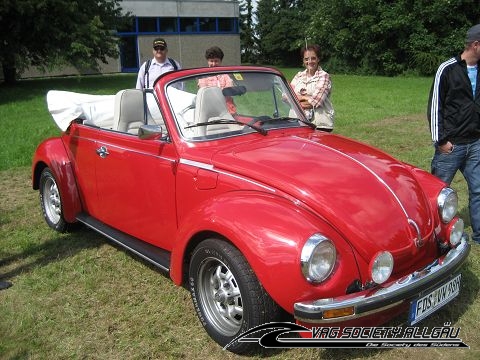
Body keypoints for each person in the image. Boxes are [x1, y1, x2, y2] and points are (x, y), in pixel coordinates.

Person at [428, 23, 480, 244]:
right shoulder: (447, 69)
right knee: (437, 194)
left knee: (478, 190)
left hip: (475, 143)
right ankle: (433, 237)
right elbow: (435, 106)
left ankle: (479, 235)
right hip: (451, 146)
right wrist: (441, 141)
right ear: (476, 45)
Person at [290, 44, 335, 132]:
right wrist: (306, 98)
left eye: (313, 58)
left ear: (318, 59)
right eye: (306, 59)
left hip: (319, 125)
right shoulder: (298, 76)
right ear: (303, 60)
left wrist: (295, 100)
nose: (310, 61)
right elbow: (285, 96)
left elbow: (315, 102)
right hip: (296, 123)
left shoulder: (324, 76)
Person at [197, 46, 236, 114]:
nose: (214, 64)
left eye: (216, 61)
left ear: (220, 61)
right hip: (210, 111)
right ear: (207, 61)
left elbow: (229, 91)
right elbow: (205, 93)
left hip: (228, 111)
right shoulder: (203, 77)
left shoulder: (225, 76)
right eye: (211, 61)